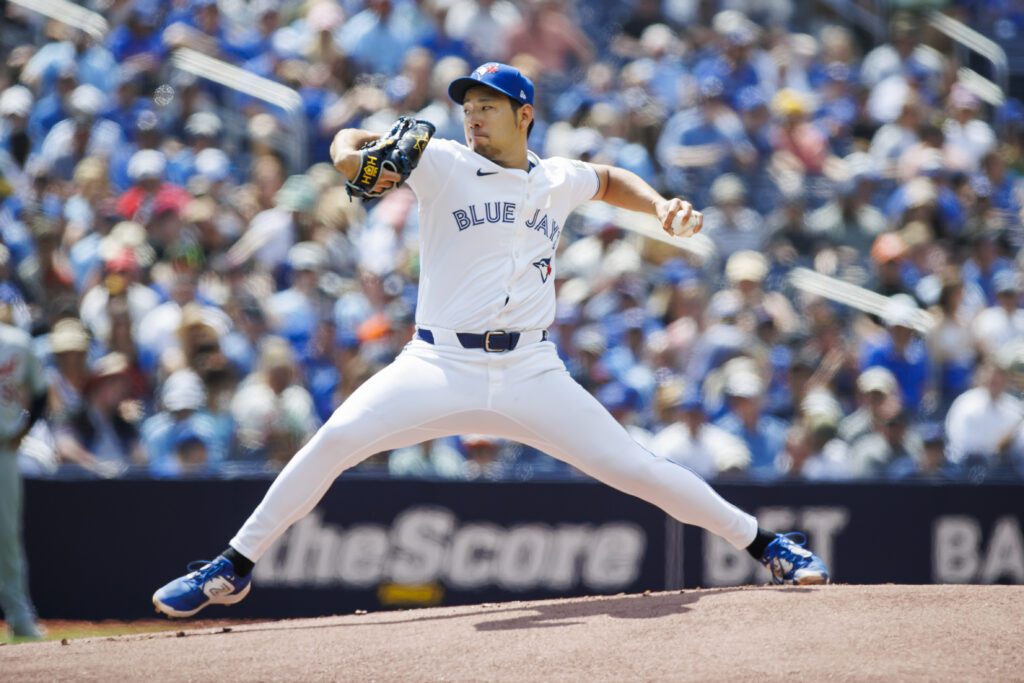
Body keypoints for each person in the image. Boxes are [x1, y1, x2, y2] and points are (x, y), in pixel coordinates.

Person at [153, 62, 829, 618]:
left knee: (637, 468)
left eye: (488, 105)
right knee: (334, 441)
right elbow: (350, 140)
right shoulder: (442, 161)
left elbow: (611, 179)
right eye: (468, 104)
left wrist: (659, 207)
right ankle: (233, 565)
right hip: (438, 361)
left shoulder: (555, 177)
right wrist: (346, 157)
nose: (472, 115)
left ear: (524, 115)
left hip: (532, 368)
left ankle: (771, 545)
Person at [0, 307, 47, 639]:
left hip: (3, 448)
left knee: (7, 537)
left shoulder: (16, 341)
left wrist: (25, 428)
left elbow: (41, 391)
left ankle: (20, 618)